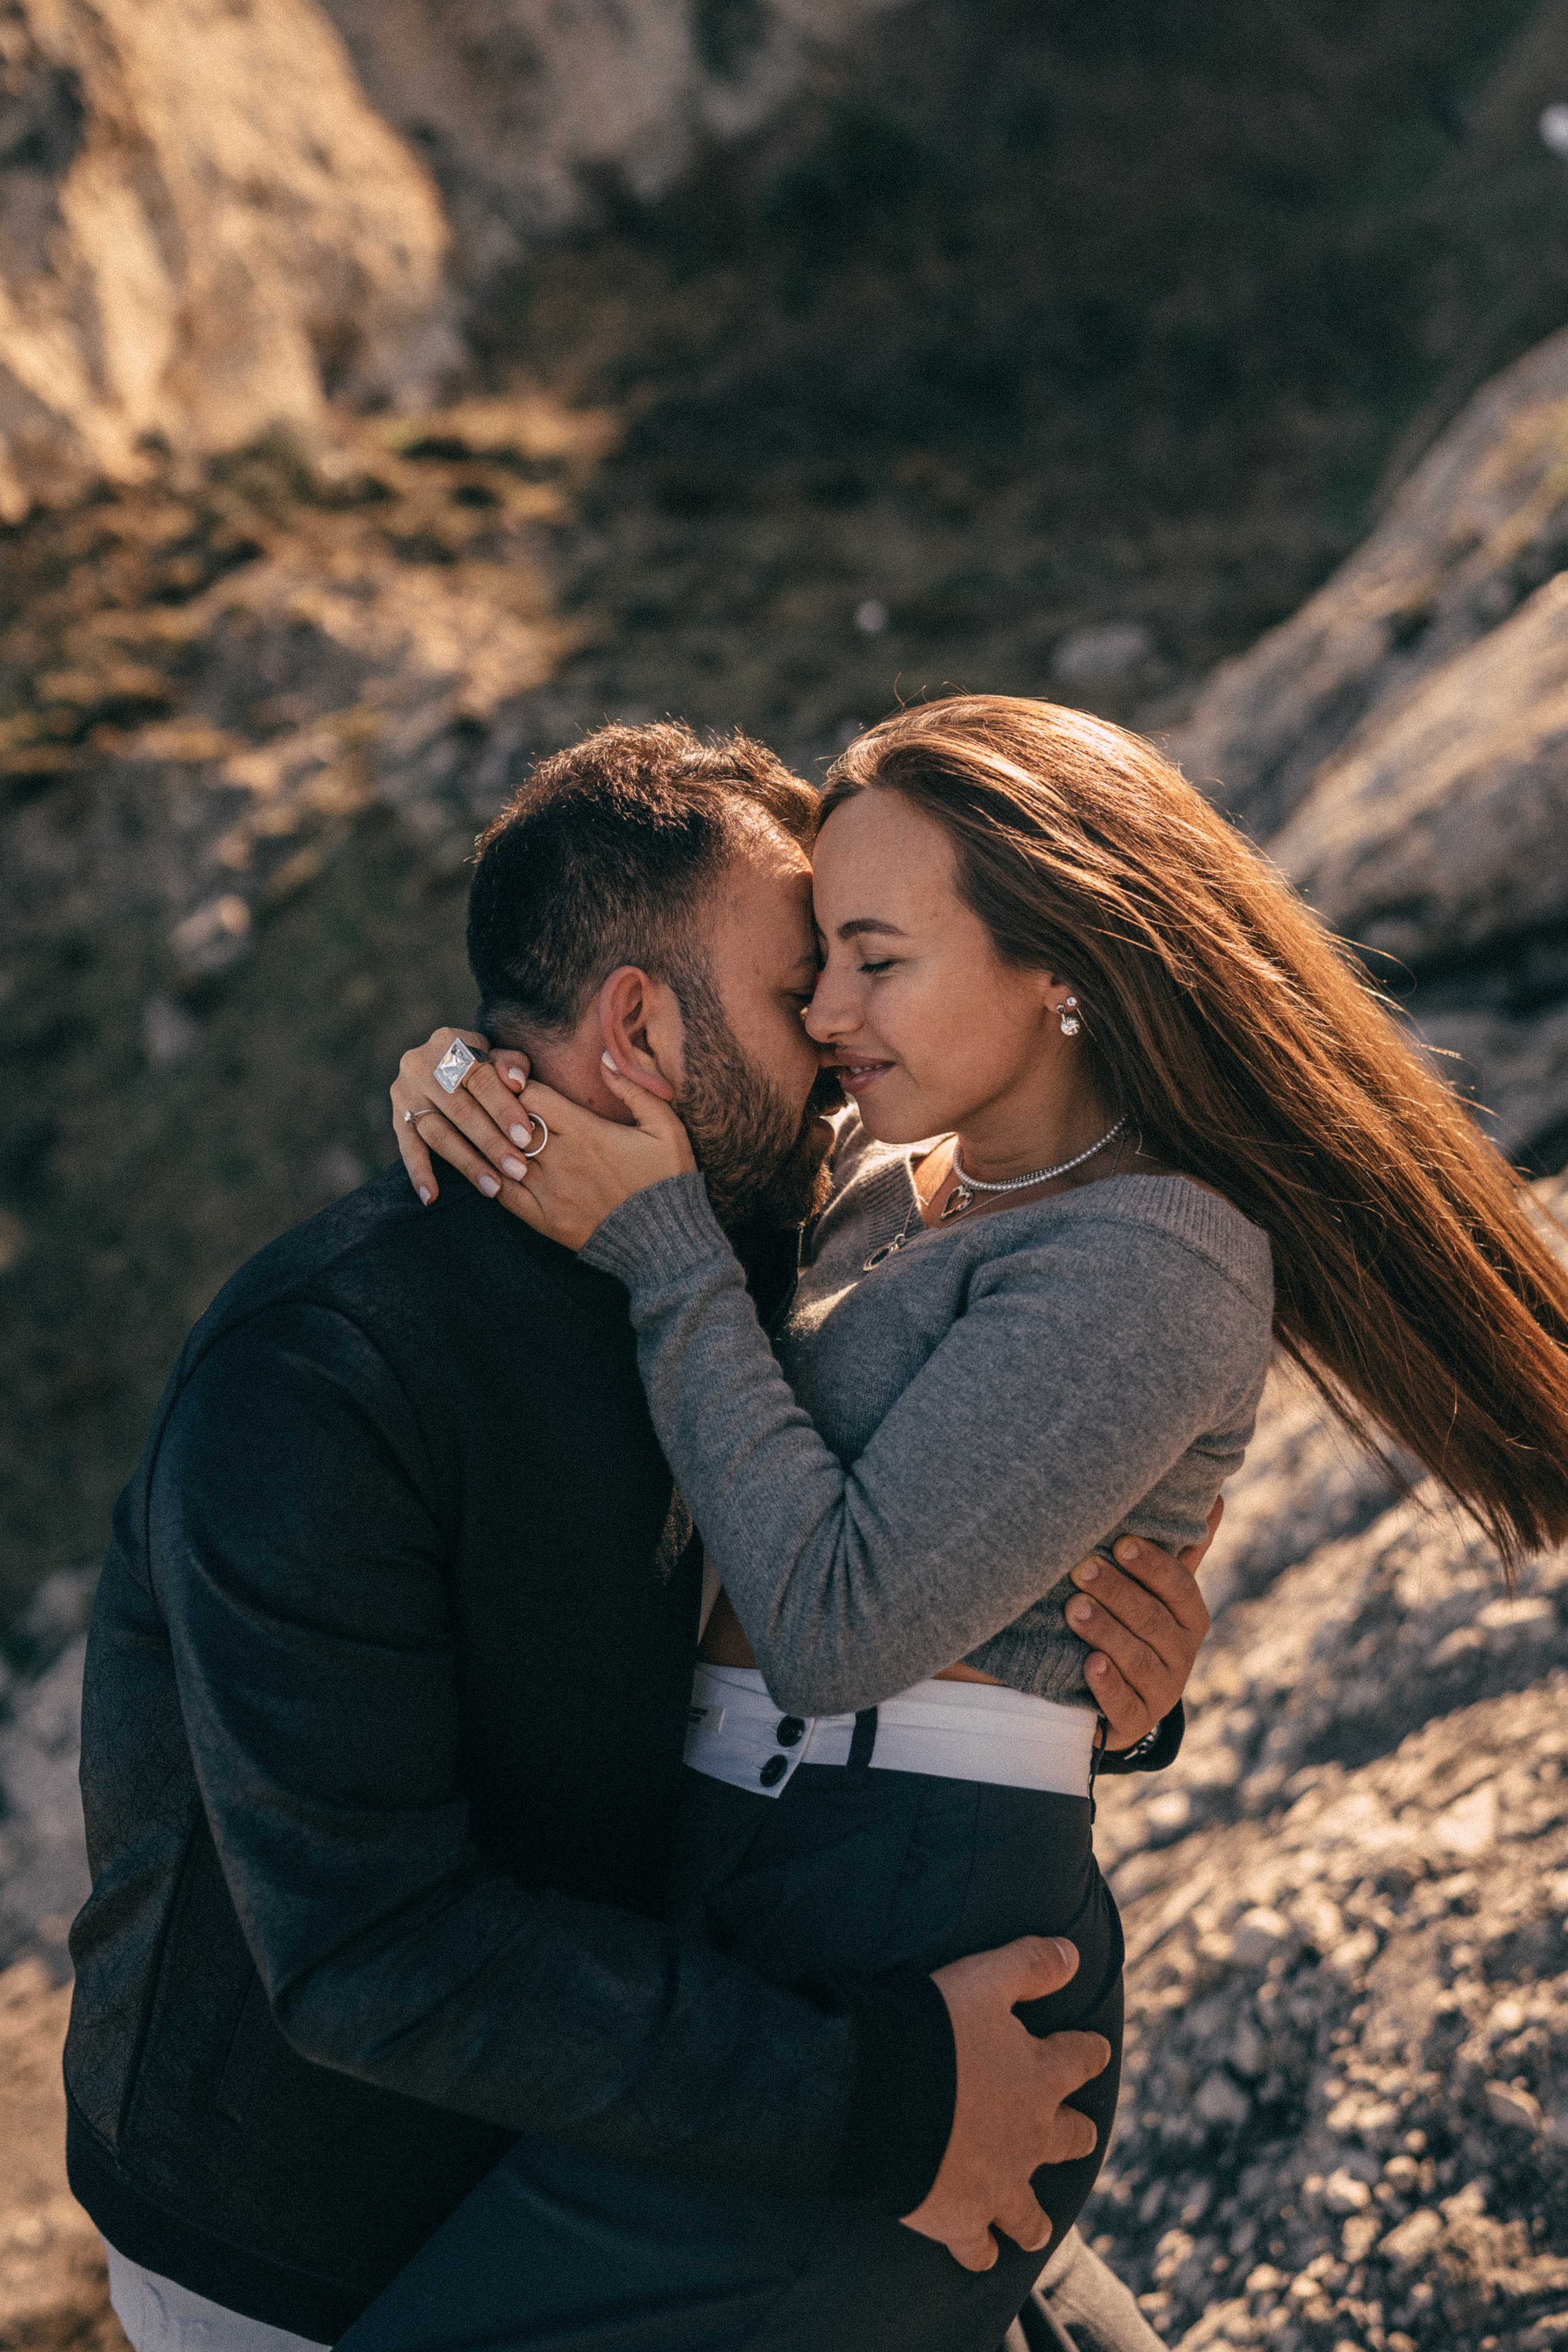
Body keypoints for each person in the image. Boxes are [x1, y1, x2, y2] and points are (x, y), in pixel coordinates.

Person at [383, 692, 1568, 2352]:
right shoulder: (888, 1170)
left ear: (1060, 963)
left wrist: (666, 1252)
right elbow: (647, 1111)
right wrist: (461, 1067)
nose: (826, 1006)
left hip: (909, 1932)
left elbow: (838, 1627)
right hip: (734, 1884)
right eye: (818, 958)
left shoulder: (1159, 1254)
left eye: (878, 957)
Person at [64, 722, 1205, 2352]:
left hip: (640, 2108)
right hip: (303, 2238)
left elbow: (875, 1542)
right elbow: (371, 1954)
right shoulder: (323, 1369)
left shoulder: (740, 1245)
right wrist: (887, 2101)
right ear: (637, 1023)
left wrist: (1107, 1671)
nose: (832, 1031)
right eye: (798, 981)